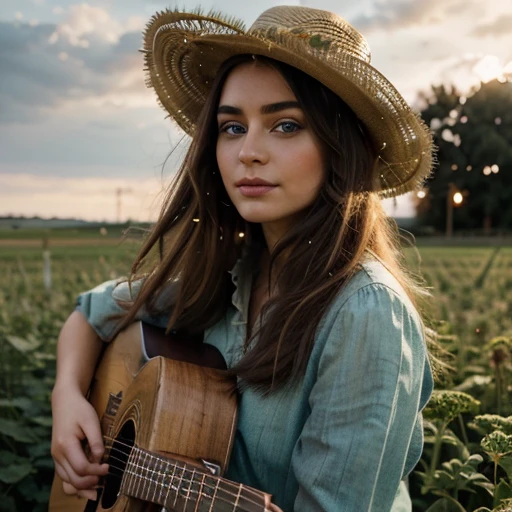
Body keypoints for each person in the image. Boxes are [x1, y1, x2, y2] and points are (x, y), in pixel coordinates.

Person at [51, 5, 435, 511]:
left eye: (286, 125)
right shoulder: (235, 275)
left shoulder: (365, 314)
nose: (248, 152)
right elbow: (91, 313)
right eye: (232, 127)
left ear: (342, 147)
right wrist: (68, 401)